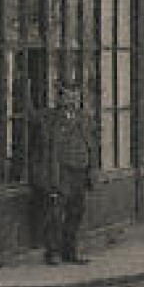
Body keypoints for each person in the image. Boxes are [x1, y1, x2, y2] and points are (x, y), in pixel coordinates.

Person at [33, 82, 96, 265]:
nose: (72, 100)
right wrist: (51, 176)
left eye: (75, 96)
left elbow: (91, 144)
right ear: (59, 98)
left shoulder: (84, 117)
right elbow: (48, 150)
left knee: (76, 212)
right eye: (68, 96)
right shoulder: (51, 119)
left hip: (80, 171)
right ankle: (53, 252)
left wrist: (91, 171)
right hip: (61, 171)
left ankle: (71, 251)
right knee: (56, 212)